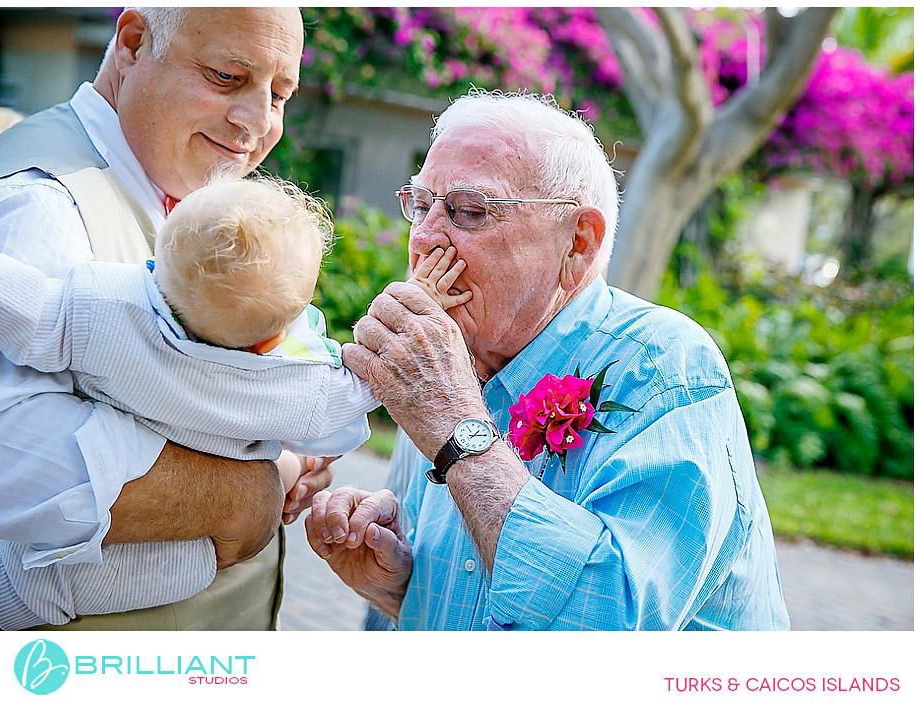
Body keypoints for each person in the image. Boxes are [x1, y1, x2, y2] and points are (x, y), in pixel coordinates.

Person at [305, 89, 791, 630]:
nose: (424, 239)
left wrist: (454, 425)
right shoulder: (442, 369)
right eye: (421, 206)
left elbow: (607, 629)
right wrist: (402, 589)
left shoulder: (663, 366)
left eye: (469, 211)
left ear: (578, 243)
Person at [0, 175, 470, 628]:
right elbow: (366, 384)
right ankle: (9, 597)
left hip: (101, 490)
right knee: (193, 565)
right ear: (271, 339)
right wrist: (419, 298)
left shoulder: (104, 315)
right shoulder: (291, 387)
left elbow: (23, 308)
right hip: (174, 541)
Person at [0, 7, 320, 631]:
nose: (258, 122)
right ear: (133, 43)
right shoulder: (40, 201)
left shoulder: (174, 186)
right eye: (225, 76)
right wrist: (244, 494)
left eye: (279, 93)